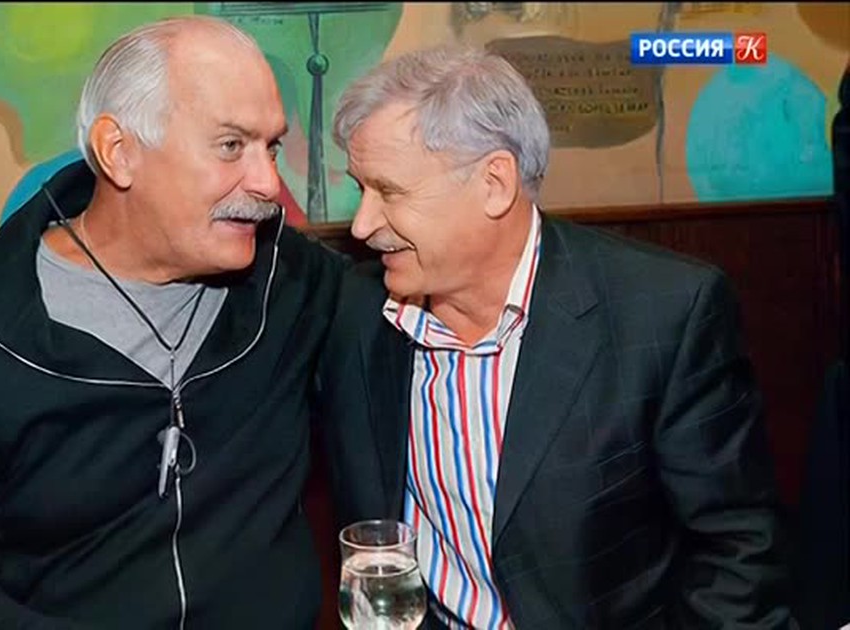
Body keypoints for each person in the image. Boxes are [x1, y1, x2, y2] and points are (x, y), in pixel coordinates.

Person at [0, 16, 346, 629]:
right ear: (119, 152)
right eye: (232, 146)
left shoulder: (293, 281)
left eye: (271, 147)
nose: (267, 183)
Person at [317, 45, 792, 629]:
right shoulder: (359, 313)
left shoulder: (663, 313)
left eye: (389, 191)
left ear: (494, 183)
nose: (363, 224)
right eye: (360, 190)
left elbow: (737, 549)